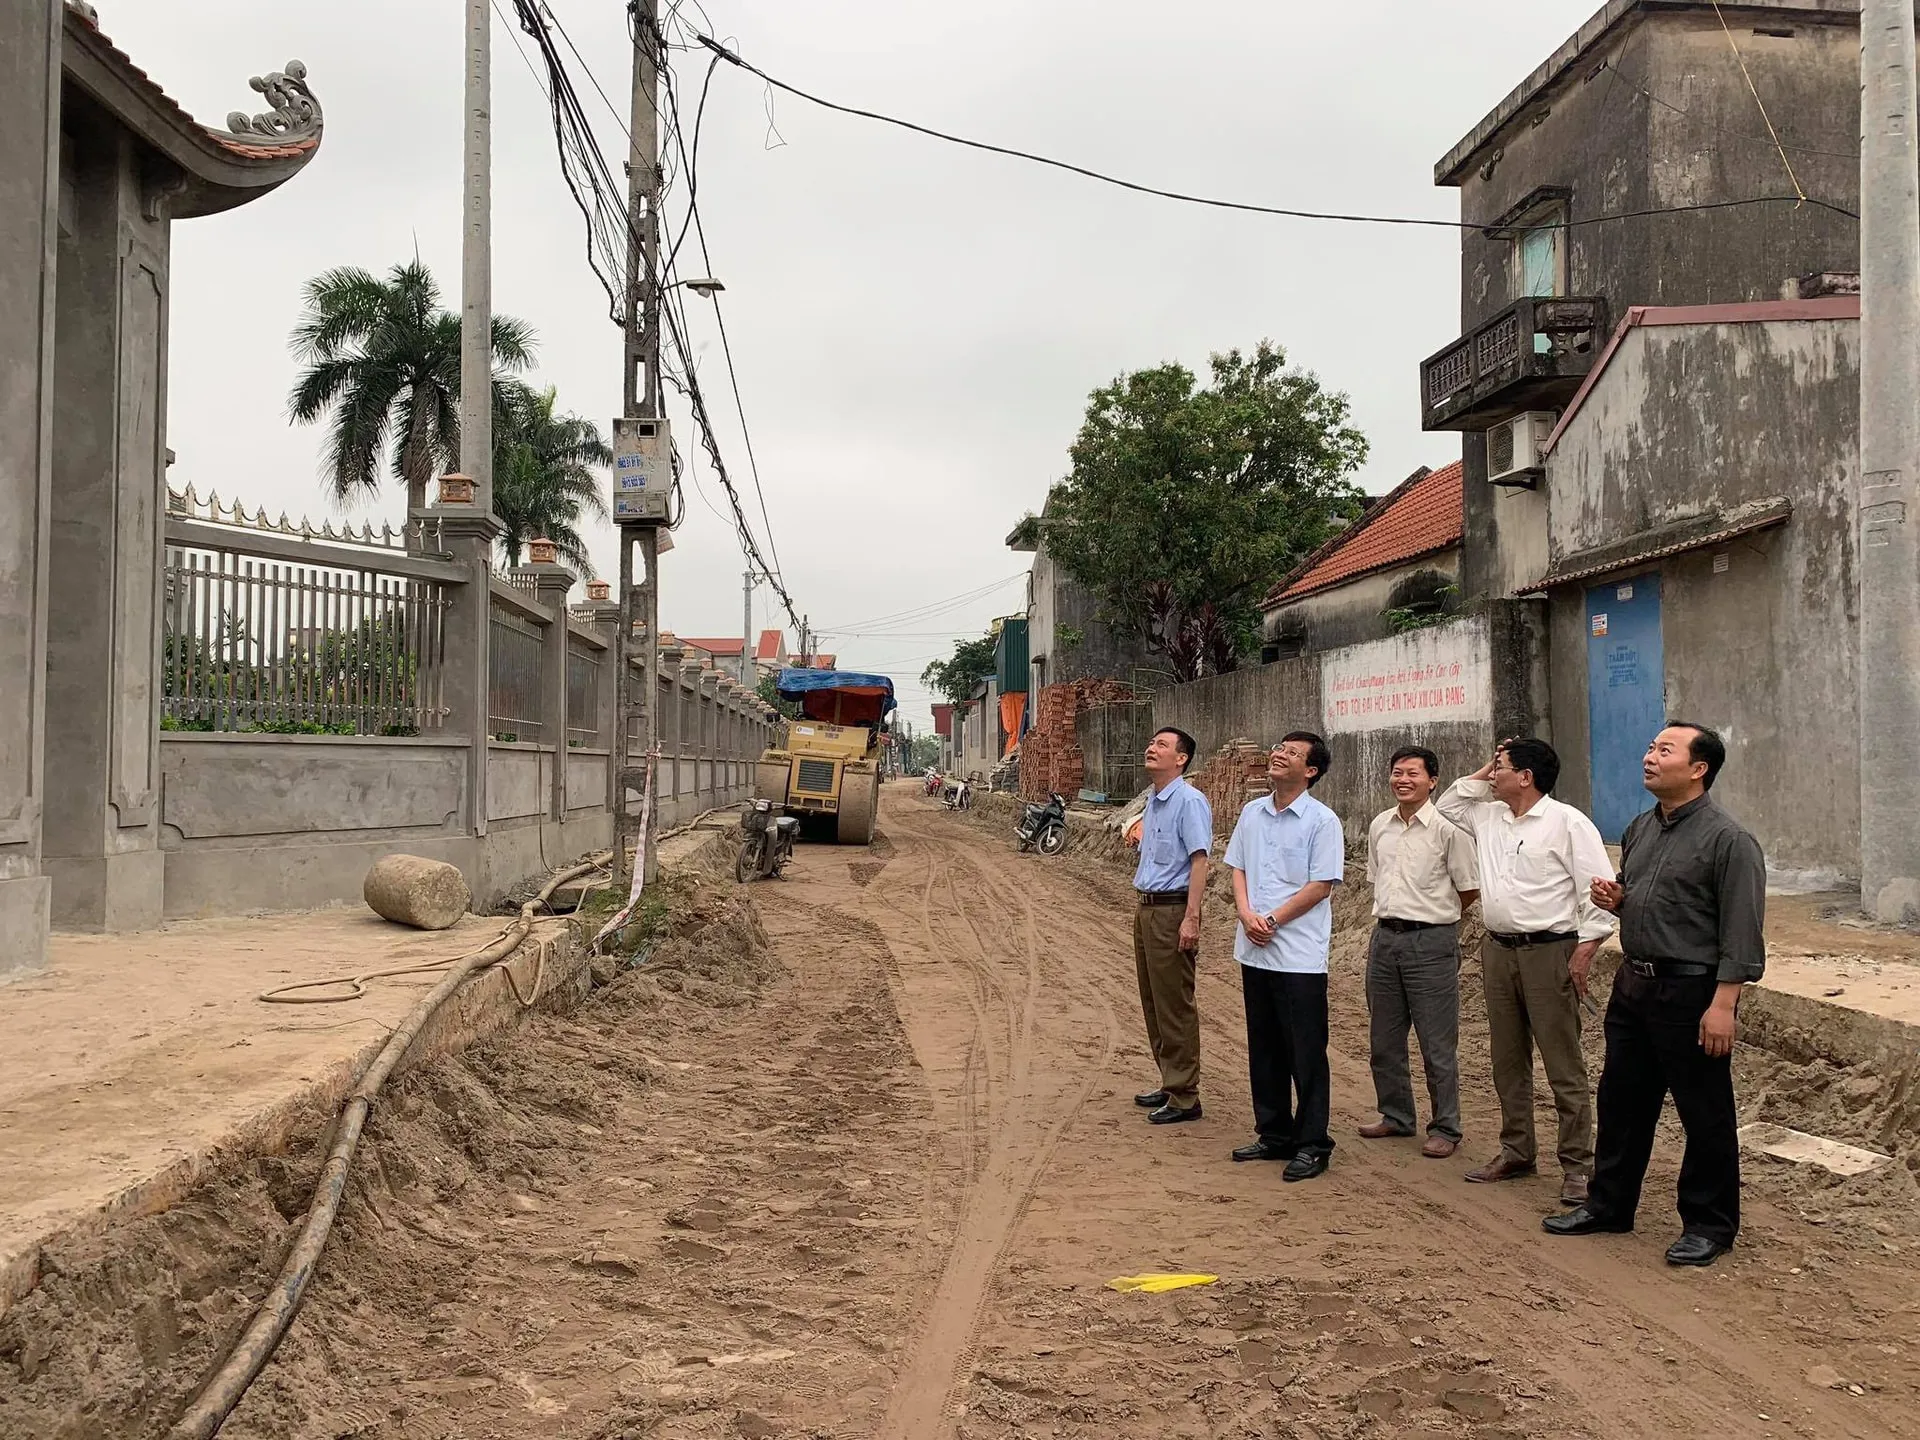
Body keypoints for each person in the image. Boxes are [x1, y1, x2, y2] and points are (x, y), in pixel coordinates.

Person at [1545, 723, 1765, 1267]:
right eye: (1649, 746)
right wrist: (1620, 900)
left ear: (1698, 769)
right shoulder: (1642, 827)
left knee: (1704, 1113)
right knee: (1622, 1101)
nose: (1649, 756)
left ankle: (1709, 1224)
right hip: (1635, 987)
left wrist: (1723, 1004)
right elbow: (1658, 901)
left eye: (1664, 750)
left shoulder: (1729, 841)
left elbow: (1740, 931)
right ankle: (1610, 1205)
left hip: (1691, 993)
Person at [1438, 737, 1614, 1205]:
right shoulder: (1488, 816)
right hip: (1497, 950)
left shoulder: (1569, 824)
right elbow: (1450, 802)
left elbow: (1598, 892)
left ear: (1526, 777)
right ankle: (1517, 1150)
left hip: (1550, 951)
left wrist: (1586, 950)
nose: (1493, 775)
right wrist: (1487, 766)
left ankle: (1577, 1165)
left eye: (1502, 767)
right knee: (1507, 1059)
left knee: (1563, 1063)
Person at [1224, 732, 1345, 1181]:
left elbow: (1321, 885)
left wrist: (1270, 920)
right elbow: (1237, 866)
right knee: (1265, 1046)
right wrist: (1245, 913)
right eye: (1279, 748)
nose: (1279, 754)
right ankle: (1273, 1132)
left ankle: (1313, 1142)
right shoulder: (1251, 813)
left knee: (1305, 1051)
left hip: (1297, 955)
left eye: (1292, 753)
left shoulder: (1321, 820)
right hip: (1254, 950)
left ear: (1310, 770)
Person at [1359, 747, 1480, 1159]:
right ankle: (1396, 1115)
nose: (1403, 780)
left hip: (1431, 943)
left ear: (1433, 781)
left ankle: (1446, 1125)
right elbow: (1378, 879)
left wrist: (1433, 919)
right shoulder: (1380, 826)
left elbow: (1468, 889)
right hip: (1384, 940)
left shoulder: (1449, 830)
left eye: (1413, 773)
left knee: (1437, 1043)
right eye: (1397, 772)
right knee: (1384, 1038)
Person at [1128, 726, 1213, 1124]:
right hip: (1147, 910)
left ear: (1181, 759)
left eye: (1161, 744)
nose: (1151, 748)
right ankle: (1169, 1080)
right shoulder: (1154, 802)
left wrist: (1191, 918)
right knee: (1153, 1001)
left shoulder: (1189, 801)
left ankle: (1184, 1096)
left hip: (1172, 911)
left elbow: (1200, 861)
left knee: (1175, 1003)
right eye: (1151, 742)